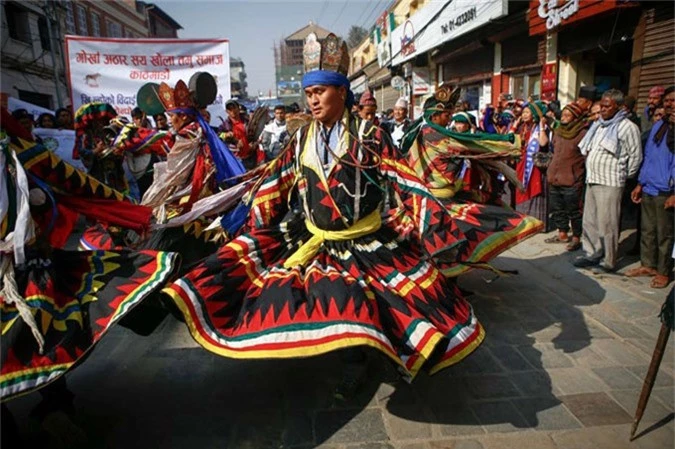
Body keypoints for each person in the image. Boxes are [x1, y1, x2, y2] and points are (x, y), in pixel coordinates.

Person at [164, 33, 485, 401]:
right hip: (314, 236)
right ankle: (348, 352)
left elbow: (407, 181)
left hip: (365, 241)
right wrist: (246, 225)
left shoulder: (370, 135)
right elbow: (275, 182)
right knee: (305, 293)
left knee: (379, 301)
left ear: (342, 93)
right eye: (309, 92)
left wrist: (436, 230)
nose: (313, 99)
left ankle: (360, 362)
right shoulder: (301, 140)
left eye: (320, 91)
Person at [399, 89, 544, 278]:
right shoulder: (436, 136)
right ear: (433, 115)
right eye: (447, 115)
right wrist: (510, 144)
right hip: (436, 201)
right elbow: (473, 144)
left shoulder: (419, 131)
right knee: (450, 245)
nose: (449, 120)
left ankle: (448, 286)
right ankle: (445, 290)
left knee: (450, 245)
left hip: (426, 197)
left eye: (452, 116)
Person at [573, 89, 643, 273]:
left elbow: (635, 157)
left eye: (607, 106)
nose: (602, 109)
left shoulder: (627, 127)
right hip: (593, 179)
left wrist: (623, 175)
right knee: (590, 221)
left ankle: (609, 260)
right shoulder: (599, 125)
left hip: (610, 182)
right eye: (601, 105)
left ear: (618, 107)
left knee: (608, 223)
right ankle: (592, 253)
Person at [626, 86, 675, 288]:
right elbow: (649, 156)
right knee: (647, 230)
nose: (670, 104)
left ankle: (664, 271)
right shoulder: (658, 125)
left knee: (665, 234)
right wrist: (640, 183)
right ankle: (648, 264)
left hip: (667, 190)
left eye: (674, 100)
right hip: (649, 187)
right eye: (668, 100)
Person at [546, 102, 589, 251]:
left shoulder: (583, 133)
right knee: (557, 208)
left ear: (575, 118)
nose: (563, 118)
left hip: (571, 180)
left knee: (574, 211)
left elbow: (586, 158)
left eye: (567, 115)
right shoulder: (558, 131)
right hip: (554, 177)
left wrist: (579, 176)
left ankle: (576, 237)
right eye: (563, 114)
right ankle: (562, 233)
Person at [513, 101, 550, 223]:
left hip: (535, 166)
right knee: (522, 190)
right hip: (522, 165)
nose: (524, 115)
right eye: (523, 112)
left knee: (534, 190)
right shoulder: (521, 128)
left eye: (527, 112)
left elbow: (543, 143)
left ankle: (536, 222)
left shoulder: (541, 128)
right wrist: (514, 125)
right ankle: (523, 219)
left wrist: (542, 126)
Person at [219, 99, 253, 169]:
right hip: (235, 158)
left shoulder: (247, 120)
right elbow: (218, 135)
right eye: (229, 109)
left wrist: (254, 143)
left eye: (234, 108)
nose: (232, 111)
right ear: (226, 111)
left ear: (238, 108)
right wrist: (225, 135)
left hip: (250, 156)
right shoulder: (224, 125)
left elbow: (256, 133)